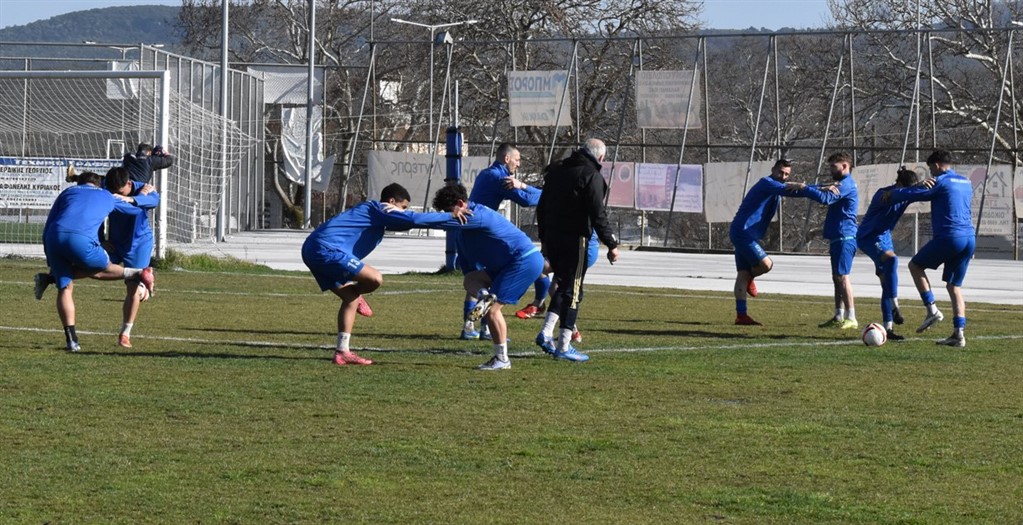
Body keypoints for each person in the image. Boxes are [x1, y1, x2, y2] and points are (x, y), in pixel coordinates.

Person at [301, 183, 465, 366]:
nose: (404, 212)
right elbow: (413, 219)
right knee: (375, 278)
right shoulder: (379, 208)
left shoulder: (376, 217)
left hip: (312, 250)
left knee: (350, 298)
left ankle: (342, 352)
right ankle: (358, 293)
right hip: (325, 249)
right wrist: (450, 215)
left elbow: (406, 223)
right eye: (403, 207)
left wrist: (444, 223)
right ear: (391, 201)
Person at [34, 168, 155, 352]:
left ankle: (73, 341)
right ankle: (139, 274)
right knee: (100, 269)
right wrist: (137, 198)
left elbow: (49, 222)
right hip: (89, 242)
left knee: (65, 286)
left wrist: (50, 259)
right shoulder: (106, 195)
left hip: (54, 237)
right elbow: (132, 211)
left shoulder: (68, 192)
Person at [429, 184, 545, 370]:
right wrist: (480, 289)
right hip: (508, 264)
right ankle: (484, 296)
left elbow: (427, 222)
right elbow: (469, 270)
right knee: (470, 280)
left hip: (523, 261)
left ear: (461, 204)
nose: (447, 216)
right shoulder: (462, 233)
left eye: (448, 211)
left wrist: (401, 216)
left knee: (492, 311)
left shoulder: (477, 215)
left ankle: (502, 359)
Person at [535, 138, 620, 362]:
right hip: (575, 239)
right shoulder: (591, 176)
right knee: (573, 291)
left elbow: (541, 207)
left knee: (563, 286)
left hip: (552, 237)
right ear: (600, 157)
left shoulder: (556, 170)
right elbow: (597, 213)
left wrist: (544, 237)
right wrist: (611, 244)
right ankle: (564, 345)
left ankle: (546, 332)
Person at [456, 142, 550, 341]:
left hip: (466, 232)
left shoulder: (485, 173)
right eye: (517, 159)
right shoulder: (500, 177)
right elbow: (527, 200)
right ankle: (487, 328)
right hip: (483, 234)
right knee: (508, 272)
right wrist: (526, 186)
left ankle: (468, 327)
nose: (519, 164)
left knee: (475, 279)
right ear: (507, 159)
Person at [884, 149, 975, 347]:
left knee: (915, 266)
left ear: (937, 165)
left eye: (931, 169)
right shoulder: (966, 181)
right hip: (969, 237)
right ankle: (958, 334)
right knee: (954, 286)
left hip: (950, 236)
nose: (931, 173)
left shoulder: (941, 181)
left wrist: (893, 193)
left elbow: (915, 195)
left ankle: (931, 309)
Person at [787, 152, 860, 330]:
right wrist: (803, 187)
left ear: (845, 166)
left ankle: (851, 317)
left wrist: (804, 188)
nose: (831, 170)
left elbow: (826, 198)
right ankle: (838, 315)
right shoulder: (840, 184)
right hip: (837, 237)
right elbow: (821, 188)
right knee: (836, 277)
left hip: (845, 237)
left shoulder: (846, 184)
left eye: (834, 166)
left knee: (843, 276)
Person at [855, 166, 922, 341]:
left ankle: (888, 328)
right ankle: (895, 304)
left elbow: (921, 194)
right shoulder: (883, 194)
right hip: (869, 237)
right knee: (892, 260)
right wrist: (915, 189)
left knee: (886, 282)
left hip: (884, 237)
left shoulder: (906, 194)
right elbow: (900, 194)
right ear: (898, 183)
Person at [728, 158, 797, 326]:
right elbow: (793, 190)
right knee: (766, 265)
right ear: (773, 170)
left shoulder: (775, 186)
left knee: (743, 274)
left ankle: (741, 316)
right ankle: (751, 279)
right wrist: (821, 189)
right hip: (743, 233)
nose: (783, 176)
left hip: (745, 233)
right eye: (780, 172)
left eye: (786, 174)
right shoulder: (767, 182)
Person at [104, 167, 161, 348]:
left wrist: (132, 199)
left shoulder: (145, 188)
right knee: (92, 268)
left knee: (132, 289)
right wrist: (100, 239)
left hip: (138, 245)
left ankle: (125, 334)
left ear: (129, 184)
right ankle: (143, 282)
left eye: (120, 193)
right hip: (114, 243)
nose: (116, 195)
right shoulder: (106, 188)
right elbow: (96, 211)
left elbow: (154, 200)